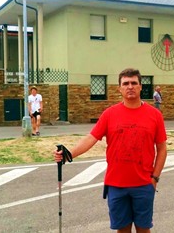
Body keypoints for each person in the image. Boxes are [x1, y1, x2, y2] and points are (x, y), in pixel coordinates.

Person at [54, 68, 167, 233]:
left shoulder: (154, 115)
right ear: (119, 88)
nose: (130, 87)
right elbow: (91, 138)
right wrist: (68, 154)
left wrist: (155, 178)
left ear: (141, 87)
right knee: (122, 230)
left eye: (134, 83)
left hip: (143, 184)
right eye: (125, 83)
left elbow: (162, 149)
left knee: (144, 229)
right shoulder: (110, 114)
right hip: (116, 184)